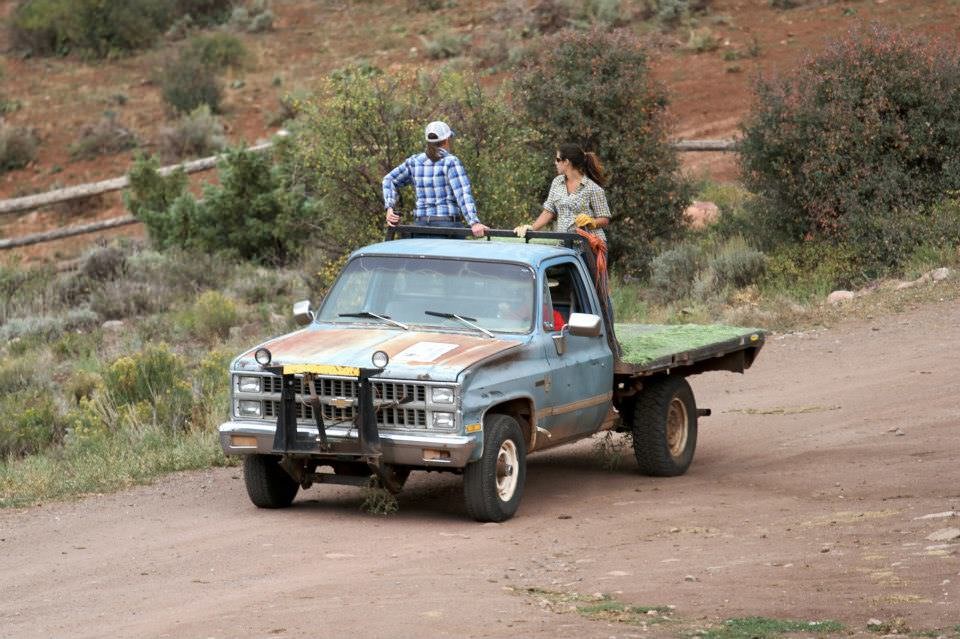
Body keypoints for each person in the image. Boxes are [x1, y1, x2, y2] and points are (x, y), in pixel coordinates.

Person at [383, 121, 489, 237]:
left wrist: (390, 207)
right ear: (447, 140)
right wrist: (474, 222)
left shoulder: (414, 162)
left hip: (420, 227)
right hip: (447, 227)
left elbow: (389, 180)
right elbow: (463, 193)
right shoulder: (451, 162)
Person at [513, 143, 611, 240]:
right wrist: (531, 229)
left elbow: (605, 219)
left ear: (566, 162)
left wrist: (592, 222)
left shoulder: (592, 188)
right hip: (564, 245)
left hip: (589, 247)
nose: (555, 163)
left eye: (558, 159)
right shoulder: (557, 182)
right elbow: (548, 211)